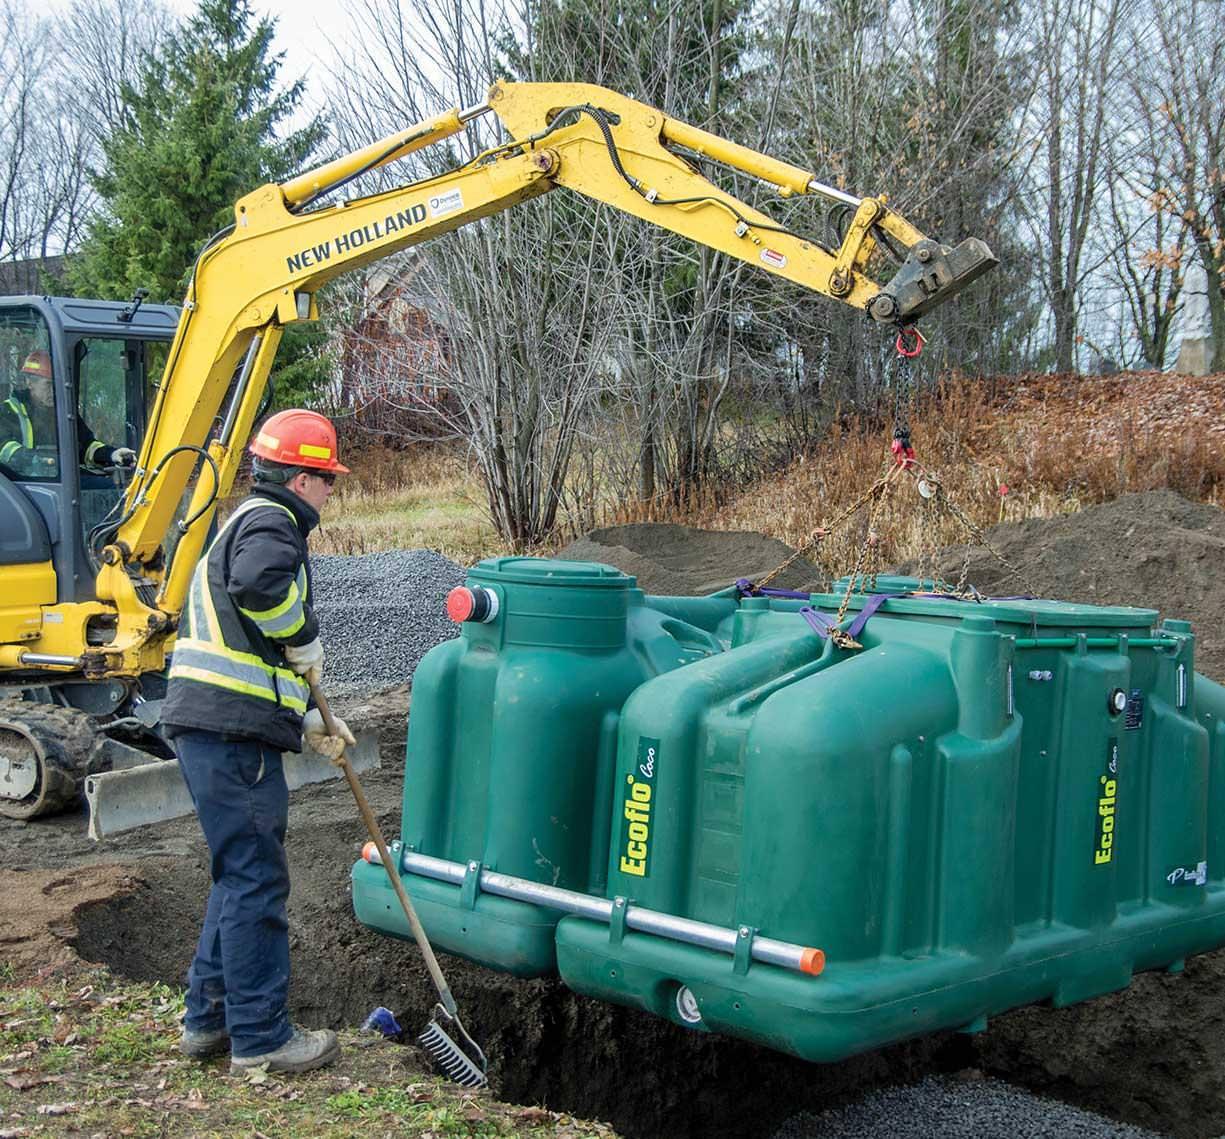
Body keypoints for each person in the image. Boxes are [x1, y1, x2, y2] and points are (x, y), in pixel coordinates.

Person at [161, 408, 356, 1075]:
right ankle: (260, 1036)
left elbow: (244, 649)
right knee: (256, 879)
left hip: (214, 724)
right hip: (228, 733)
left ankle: (208, 1019)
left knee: (235, 875)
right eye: (327, 478)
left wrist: (302, 719)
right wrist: (303, 637)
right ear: (300, 478)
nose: (330, 490)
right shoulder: (273, 523)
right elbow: (259, 589)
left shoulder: (245, 522)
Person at [0, 350, 136, 474]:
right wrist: (34, 459)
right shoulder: (9, 411)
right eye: (48, 384)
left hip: (62, 480)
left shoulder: (64, 412)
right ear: (29, 383)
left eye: (56, 384)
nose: (53, 391)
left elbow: (87, 446)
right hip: (27, 483)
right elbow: (4, 448)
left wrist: (111, 454)